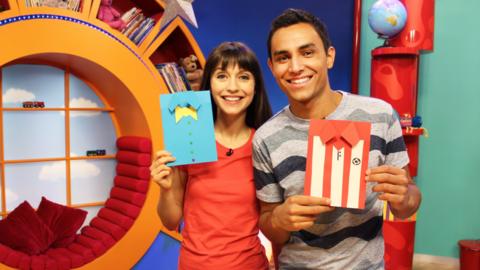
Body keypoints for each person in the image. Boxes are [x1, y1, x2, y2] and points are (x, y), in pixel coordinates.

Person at [253, 8, 422, 269]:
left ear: (329, 56)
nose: (296, 67)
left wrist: (404, 196)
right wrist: (278, 220)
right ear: (272, 67)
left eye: (307, 53)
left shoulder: (380, 115)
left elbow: (407, 205)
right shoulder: (265, 138)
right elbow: (269, 225)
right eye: (283, 58)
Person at [150, 41, 272, 270]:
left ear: (255, 87)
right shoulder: (189, 137)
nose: (233, 87)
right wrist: (165, 188)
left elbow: (272, 220)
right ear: (210, 84)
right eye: (222, 76)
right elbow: (170, 221)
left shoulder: (263, 144)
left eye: (244, 77)